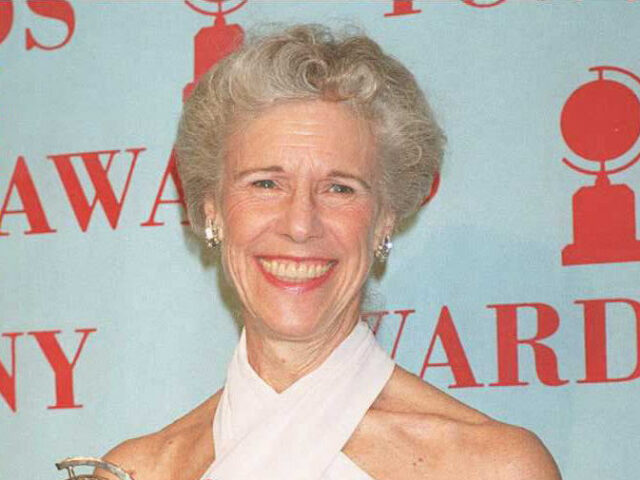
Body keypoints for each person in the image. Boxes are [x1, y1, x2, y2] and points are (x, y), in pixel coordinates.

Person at [97, 25, 561, 480]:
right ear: (212, 210)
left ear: (384, 221)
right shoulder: (138, 470)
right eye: (265, 183)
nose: (300, 225)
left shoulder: (492, 467)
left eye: (340, 188)